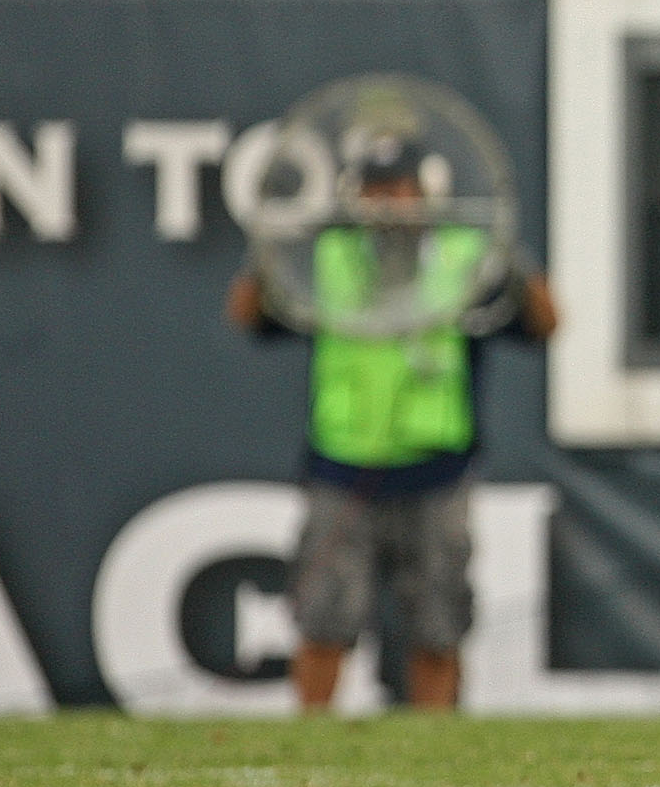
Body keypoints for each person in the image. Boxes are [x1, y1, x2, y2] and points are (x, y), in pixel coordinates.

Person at [226, 138, 559, 711]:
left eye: (399, 188)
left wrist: (511, 255)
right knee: (324, 616)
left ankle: (435, 745)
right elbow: (247, 316)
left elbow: (546, 323)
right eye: (376, 190)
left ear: (424, 192)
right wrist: (270, 253)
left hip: (436, 468)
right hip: (343, 464)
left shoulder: (464, 255)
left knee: (439, 622)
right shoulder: (329, 257)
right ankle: (310, 741)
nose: (388, 203)